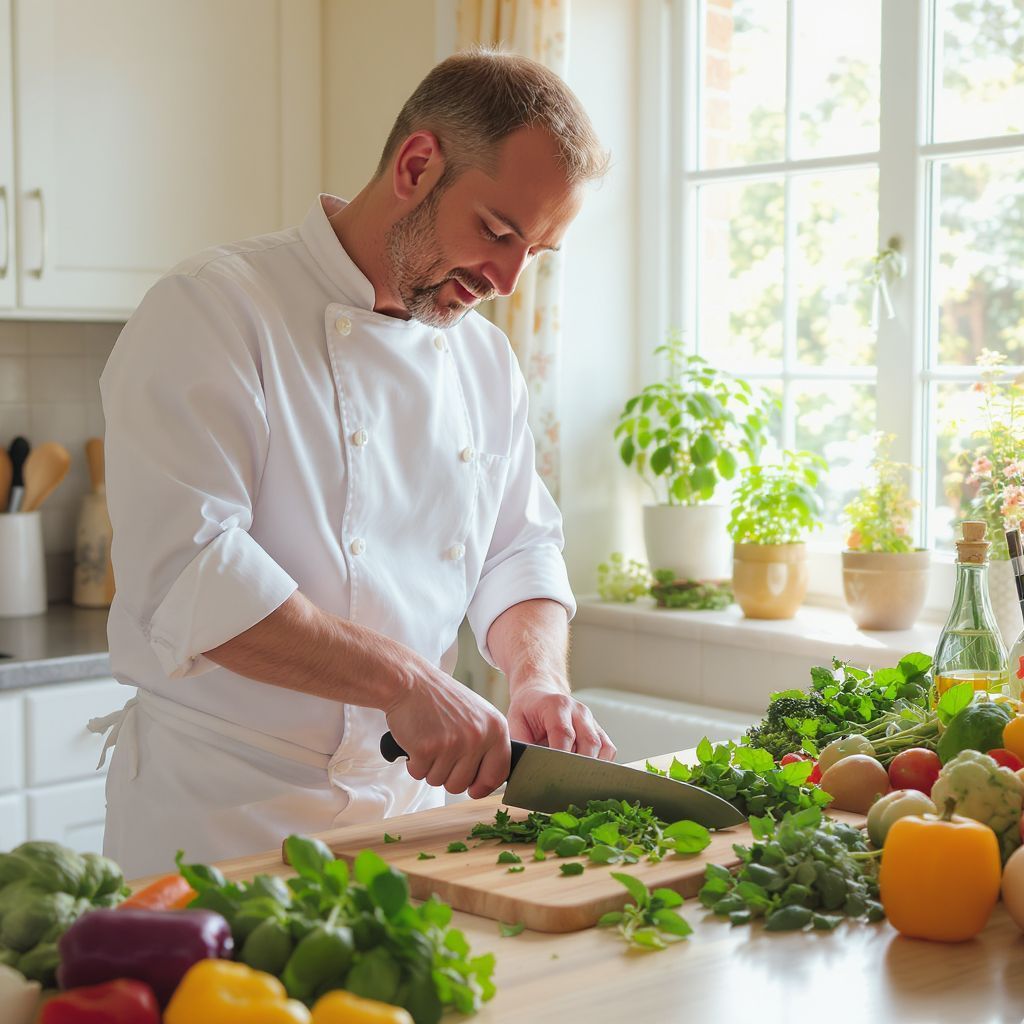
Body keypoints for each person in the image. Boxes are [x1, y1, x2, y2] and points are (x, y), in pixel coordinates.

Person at [94, 49, 616, 877]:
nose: (508, 282)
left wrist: (534, 677)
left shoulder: (482, 361)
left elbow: (518, 548)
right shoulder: (213, 309)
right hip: (224, 820)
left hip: (416, 815)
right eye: (498, 232)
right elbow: (190, 573)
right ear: (417, 165)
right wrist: (406, 681)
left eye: (536, 253)